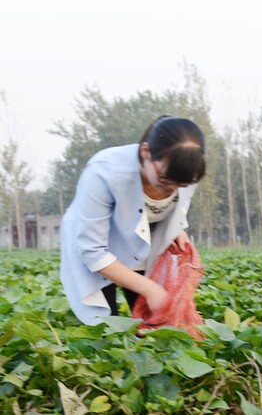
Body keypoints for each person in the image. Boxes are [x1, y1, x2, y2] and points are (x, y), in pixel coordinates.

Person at [60, 115, 206, 325]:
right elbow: (93, 252)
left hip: (142, 243)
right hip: (97, 244)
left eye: (181, 184)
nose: (172, 188)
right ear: (146, 152)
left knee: (153, 323)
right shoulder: (105, 171)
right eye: (165, 179)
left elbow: (175, 206)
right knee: (104, 325)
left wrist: (176, 229)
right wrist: (150, 289)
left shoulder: (188, 172)